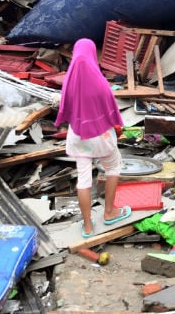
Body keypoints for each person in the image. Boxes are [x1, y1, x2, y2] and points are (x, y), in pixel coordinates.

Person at [56, 38, 132, 238]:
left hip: (79, 137)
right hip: (101, 136)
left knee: (83, 179)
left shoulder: (69, 81)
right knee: (113, 167)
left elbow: (64, 109)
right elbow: (111, 111)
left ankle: (88, 225)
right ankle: (109, 212)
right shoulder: (99, 82)